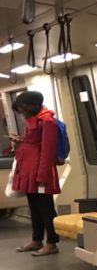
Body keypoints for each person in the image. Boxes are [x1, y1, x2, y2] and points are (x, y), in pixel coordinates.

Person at [10, 91, 61, 257]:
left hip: (40, 171)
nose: (21, 113)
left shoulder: (47, 122)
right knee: (34, 207)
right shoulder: (33, 121)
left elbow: (47, 151)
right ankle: (37, 239)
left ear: (31, 107)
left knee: (46, 208)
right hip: (29, 170)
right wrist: (22, 141)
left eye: (23, 109)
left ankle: (52, 243)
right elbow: (35, 144)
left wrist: (42, 176)